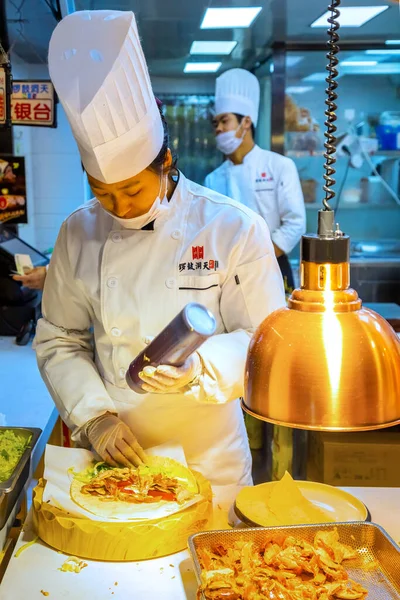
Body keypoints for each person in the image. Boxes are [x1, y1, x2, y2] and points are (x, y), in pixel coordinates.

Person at [35, 10, 285, 487]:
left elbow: (263, 339)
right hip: (114, 452)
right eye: (103, 193)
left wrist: (199, 368)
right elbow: (60, 338)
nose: (120, 208)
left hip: (208, 459)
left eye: (131, 190)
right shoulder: (77, 232)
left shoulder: (232, 227)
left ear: (166, 161)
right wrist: (93, 419)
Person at [205, 69, 306, 292]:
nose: (219, 128)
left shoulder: (279, 166)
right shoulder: (212, 179)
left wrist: (258, 256)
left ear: (246, 121)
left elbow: (295, 222)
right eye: (215, 124)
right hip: (228, 271)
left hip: (273, 265)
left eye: (224, 121)